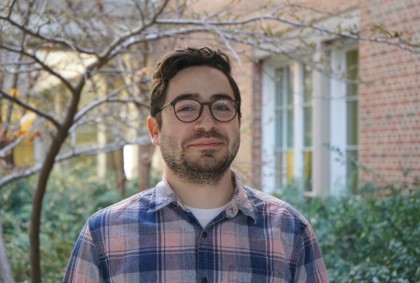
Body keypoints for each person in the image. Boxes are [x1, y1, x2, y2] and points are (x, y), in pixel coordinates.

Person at [63, 46, 328, 282]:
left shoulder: (290, 232)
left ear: (238, 122)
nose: (207, 124)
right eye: (187, 107)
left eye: (222, 107)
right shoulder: (104, 236)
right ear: (154, 129)